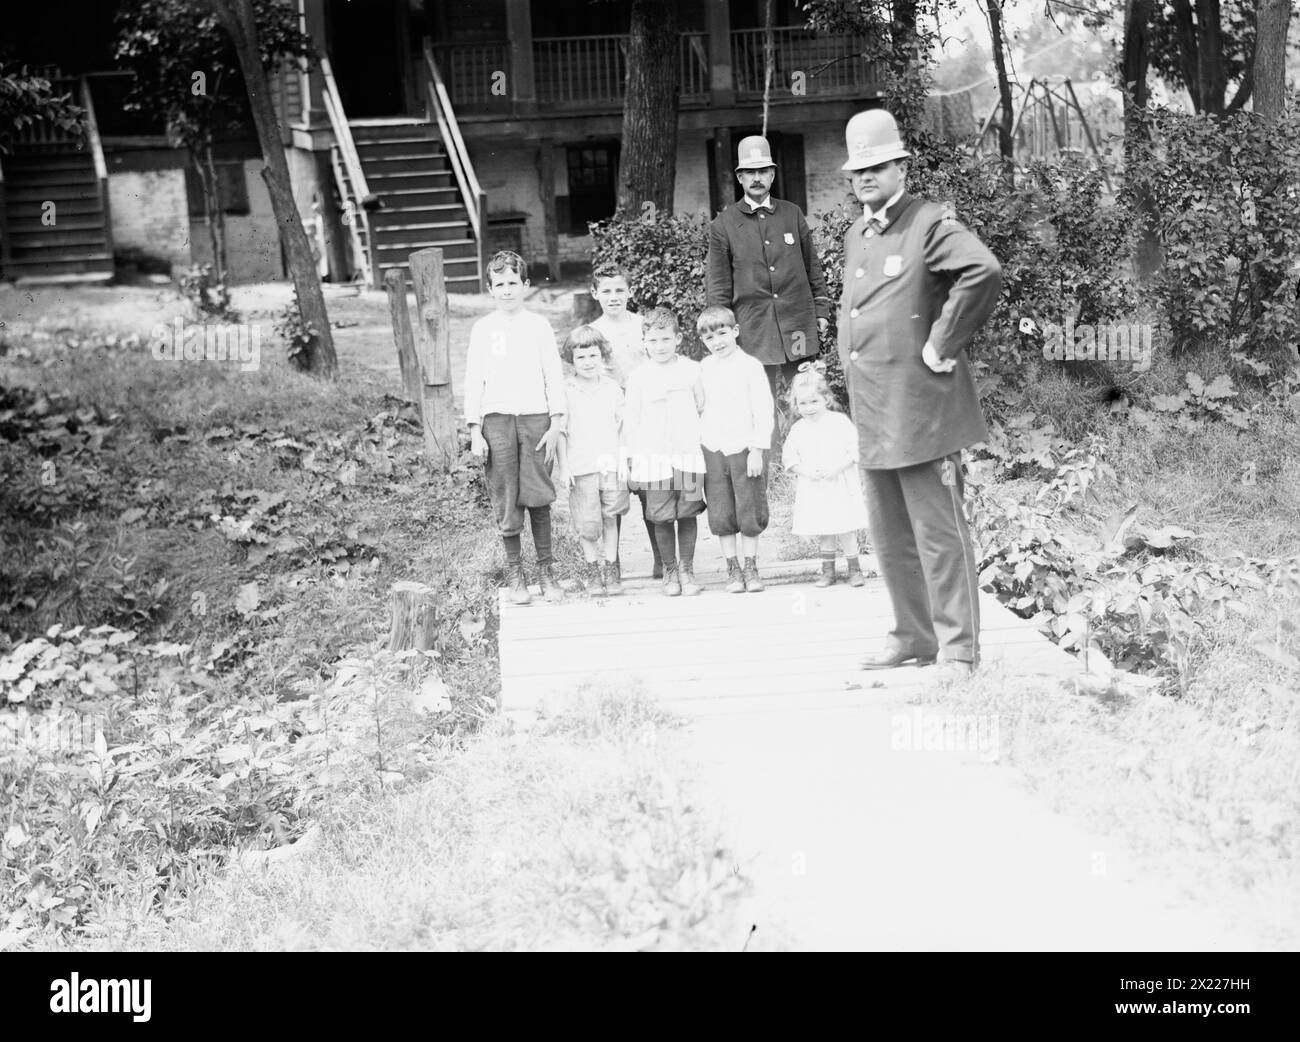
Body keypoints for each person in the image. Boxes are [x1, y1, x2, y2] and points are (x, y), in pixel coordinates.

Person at [837, 109, 1003, 682]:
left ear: (901, 166)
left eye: (877, 166)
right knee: (890, 535)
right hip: (875, 408)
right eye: (858, 169)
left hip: (922, 410)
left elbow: (983, 271)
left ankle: (959, 650)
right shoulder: (858, 233)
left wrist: (942, 342)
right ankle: (913, 636)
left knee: (939, 535)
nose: (866, 177)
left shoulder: (929, 223)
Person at [464, 250, 566, 606]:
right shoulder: (483, 329)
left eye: (513, 283)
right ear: (490, 288)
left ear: (525, 286)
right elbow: (474, 379)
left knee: (537, 494)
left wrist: (556, 421)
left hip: (535, 417)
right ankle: (515, 572)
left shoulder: (538, 326)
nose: (507, 290)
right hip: (497, 420)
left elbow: (553, 373)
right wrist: (475, 430)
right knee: (506, 495)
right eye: (499, 284)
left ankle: (546, 571)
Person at [705, 134, 832, 409]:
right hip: (753, 329)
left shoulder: (792, 214)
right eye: (750, 172)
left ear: (772, 175)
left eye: (763, 171)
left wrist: (821, 310)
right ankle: (765, 453)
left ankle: (805, 450)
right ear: (739, 178)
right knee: (759, 404)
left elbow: (812, 267)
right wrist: (722, 331)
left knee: (806, 396)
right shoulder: (723, 225)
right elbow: (718, 286)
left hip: (796, 324)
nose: (757, 178)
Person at [623, 307, 706, 597]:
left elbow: (702, 408)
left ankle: (687, 570)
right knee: (660, 515)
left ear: (678, 338)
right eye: (653, 340)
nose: (660, 346)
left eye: (666, 339)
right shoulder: (638, 377)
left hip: (689, 456)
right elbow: (631, 421)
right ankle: (669, 570)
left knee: (688, 512)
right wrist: (632, 459)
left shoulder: (693, 370)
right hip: (654, 459)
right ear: (644, 341)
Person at [588, 263, 662, 580]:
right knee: (612, 491)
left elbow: (658, 366)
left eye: (620, 290)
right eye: (606, 291)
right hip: (609, 420)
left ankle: (662, 558)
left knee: (650, 489)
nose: (614, 297)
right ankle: (611, 562)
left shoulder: (644, 326)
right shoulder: (592, 332)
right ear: (595, 294)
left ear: (630, 292)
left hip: (643, 415)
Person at [697, 305, 773, 594]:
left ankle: (751, 565)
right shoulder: (703, 368)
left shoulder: (750, 366)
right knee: (721, 509)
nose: (717, 342)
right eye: (709, 338)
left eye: (722, 333)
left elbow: (763, 410)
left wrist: (757, 449)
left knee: (749, 507)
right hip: (713, 449)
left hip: (744, 448)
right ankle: (732, 567)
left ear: (735, 331)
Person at [781, 362, 868, 588]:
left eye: (814, 402)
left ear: (826, 399)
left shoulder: (839, 422)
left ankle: (854, 569)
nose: (808, 408)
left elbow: (855, 450)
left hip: (839, 482)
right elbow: (789, 459)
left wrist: (837, 468)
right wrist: (807, 471)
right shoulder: (798, 429)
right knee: (824, 528)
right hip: (815, 486)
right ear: (795, 404)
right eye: (803, 403)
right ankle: (827, 571)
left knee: (845, 526)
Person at [557, 325, 629, 597]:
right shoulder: (567, 390)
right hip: (581, 465)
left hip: (610, 465)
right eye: (581, 357)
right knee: (588, 524)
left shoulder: (612, 388)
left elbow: (623, 427)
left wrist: (623, 459)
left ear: (603, 356)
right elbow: (562, 432)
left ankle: (611, 569)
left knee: (611, 517)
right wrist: (565, 468)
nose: (588, 363)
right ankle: (592, 572)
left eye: (593, 356)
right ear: (571, 361)